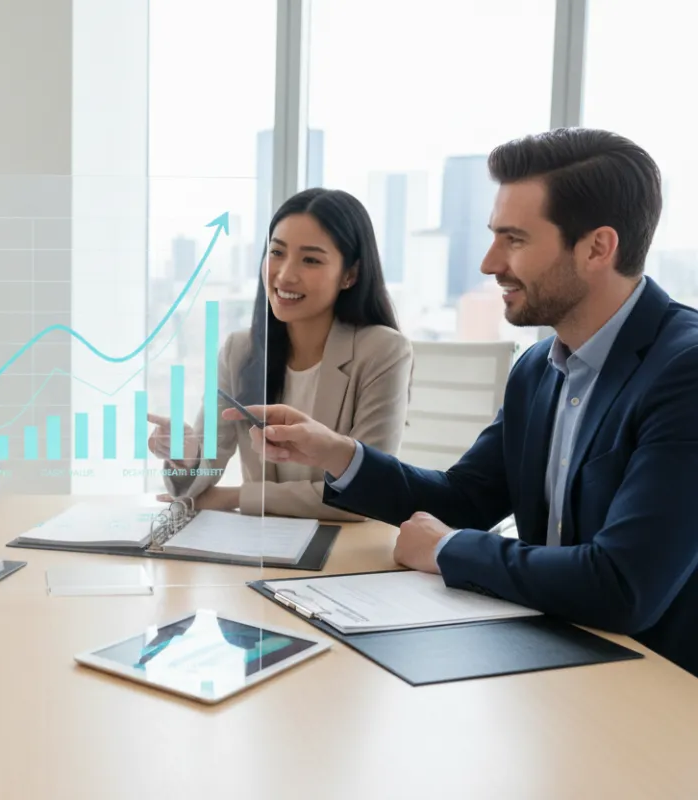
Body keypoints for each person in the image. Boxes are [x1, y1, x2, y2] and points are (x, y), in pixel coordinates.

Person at [229, 128, 698, 677]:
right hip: (546, 654)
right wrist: (338, 453)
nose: (489, 263)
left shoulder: (684, 372)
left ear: (597, 248)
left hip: (654, 683)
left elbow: (623, 585)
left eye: (514, 240)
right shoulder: (538, 369)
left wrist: (448, 549)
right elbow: (465, 499)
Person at [149, 188, 411, 518]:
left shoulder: (383, 352)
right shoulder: (239, 351)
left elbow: (366, 490)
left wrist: (236, 497)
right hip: (262, 540)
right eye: (277, 252)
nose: (285, 275)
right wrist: (187, 458)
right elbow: (200, 480)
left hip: (343, 542)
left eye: (311, 260)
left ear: (350, 274)